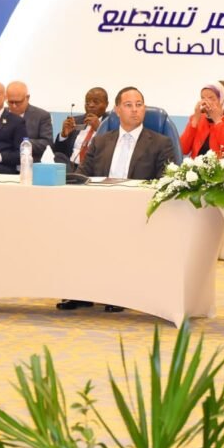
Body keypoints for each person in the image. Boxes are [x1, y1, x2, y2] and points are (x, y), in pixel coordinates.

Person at [64, 87, 176, 313]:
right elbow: (83, 174)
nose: (135, 110)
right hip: (99, 208)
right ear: (116, 110)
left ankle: (118, 293)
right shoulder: (101, 141)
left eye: (139, 105)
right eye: (128, 105)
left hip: (137, 213)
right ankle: (82, 291)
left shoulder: (160, 143)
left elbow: (165, 182)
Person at [180, 82, 224, 159]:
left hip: (221, 166)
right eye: (203, 98)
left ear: (221, 100)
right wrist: (194, 122)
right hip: (196, 165)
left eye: (211, 98)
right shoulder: (197, 119)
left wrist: (217, 121)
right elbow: (183, 149)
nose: (206, 102)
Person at [53, 87, 109, 171]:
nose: (91, 105)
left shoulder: (112, 123)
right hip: (71, 165)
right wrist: (63, 135)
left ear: (106, 104)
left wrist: (99, 129)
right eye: (87, 102)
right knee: (57, 157)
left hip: (93, 167)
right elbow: (59, 151)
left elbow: (111, 150)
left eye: (96, 102)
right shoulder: (76, 121)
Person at [6, 81, 54, 161]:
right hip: (5, 162)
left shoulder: (41, 116)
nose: (14, 106)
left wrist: (23, 142)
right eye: (10, 102)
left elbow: (47, 143)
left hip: (30, 162)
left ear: (27, 98)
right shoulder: (2, 114)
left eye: (18, 102)